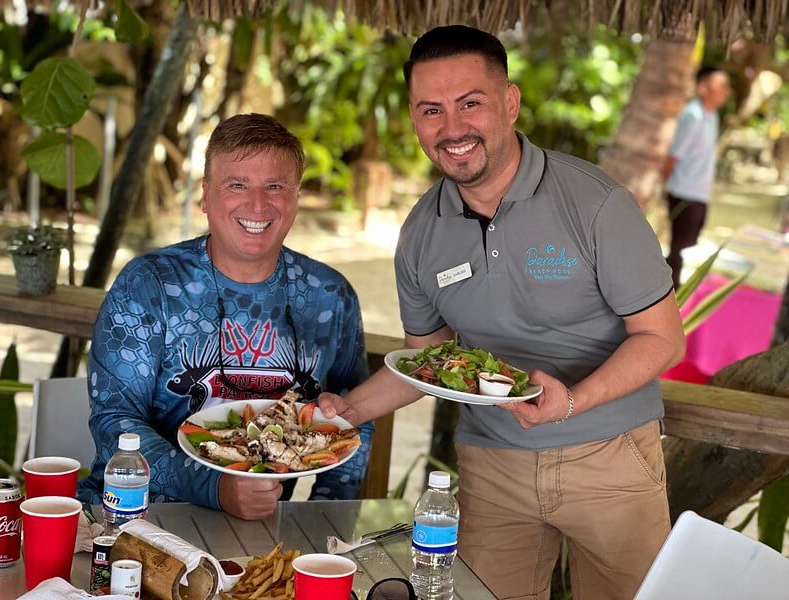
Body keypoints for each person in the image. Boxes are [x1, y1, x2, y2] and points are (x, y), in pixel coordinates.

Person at [320, 26, 685, 599]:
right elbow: (430, 361)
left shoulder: (596, 203)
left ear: (510, 103)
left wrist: (572, 400)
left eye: (471, 103)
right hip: (491, 466)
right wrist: (345, 410)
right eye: (430, 110)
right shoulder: (421, 232)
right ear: (413, 120)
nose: (452, 129)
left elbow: (662, 338)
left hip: (609, 458)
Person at [78, 114, 374, 520]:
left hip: (260, 530)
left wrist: (321, 520)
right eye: (237, 184)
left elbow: (355, 419)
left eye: (275, 186)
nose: (257, 204)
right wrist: (214, 488)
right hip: (135, 515)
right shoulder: (149, 284)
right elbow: (116, 423)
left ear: (296, 198)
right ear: (204, 195)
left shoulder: (328, 297)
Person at [664, 66, 730, 289]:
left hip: (700, 194)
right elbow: (674, 155)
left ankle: (676, 294)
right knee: (679, 250)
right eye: (720, 86)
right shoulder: (692, 114)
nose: (725, 92)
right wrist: (665, 186)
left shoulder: (712, 117)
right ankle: (669, 297)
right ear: (703, 88)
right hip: (684, 192)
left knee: (690, 248)